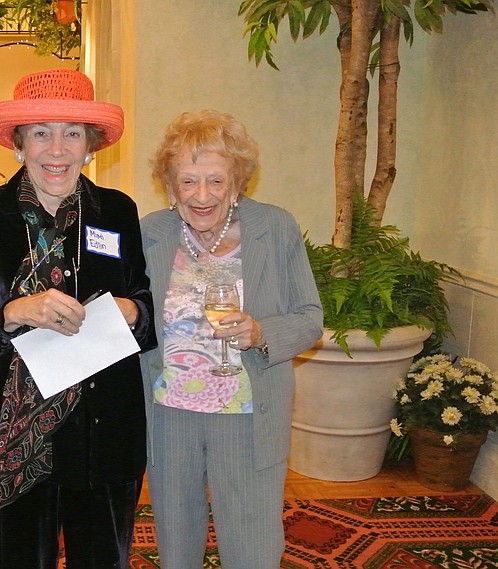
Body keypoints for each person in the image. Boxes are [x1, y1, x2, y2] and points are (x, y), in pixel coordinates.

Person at [0, 69, 157, 569]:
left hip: (104, 422)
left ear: (91, 145)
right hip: (18, 430)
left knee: (101, 558)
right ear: (19, 143)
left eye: (72, 133)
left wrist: (132, 310)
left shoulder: (115, 211)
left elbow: (146, 308)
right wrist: (13, 312)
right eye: (41, 132)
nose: (57, 148)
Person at [139, 109, 323, 568]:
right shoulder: (149, 234)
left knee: (253, 546)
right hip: (168, 414)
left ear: (238, 182)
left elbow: (310, 318)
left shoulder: (274, 229)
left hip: (246, 413)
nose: (202, 195)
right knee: (176, 546)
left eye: (216, 181)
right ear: (169, 184)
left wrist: (261, 331)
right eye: (188, 181)